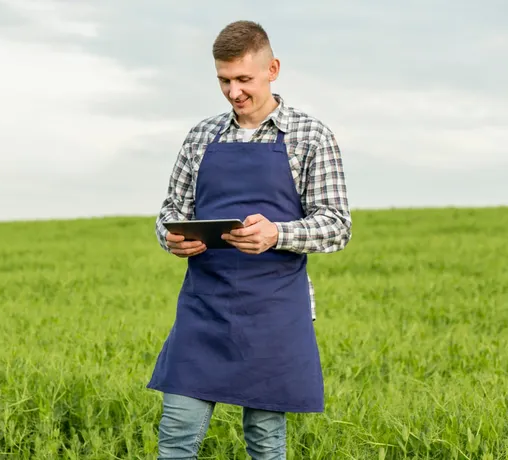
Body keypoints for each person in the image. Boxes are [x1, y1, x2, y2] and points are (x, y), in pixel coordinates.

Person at [146, 20, 353, 460]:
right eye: (224, 80)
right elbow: (171, 211)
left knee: (264, 437)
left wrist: (278, 233)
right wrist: (171, 236)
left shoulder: (310, 136)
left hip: (273, 308)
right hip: (205, 303)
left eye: (244, 79)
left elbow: (337, 225)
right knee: (177, 430)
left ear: (272, 68)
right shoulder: (202, 136)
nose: (233, 92)